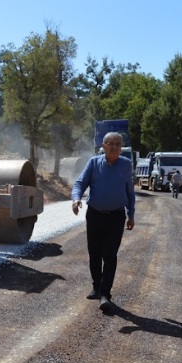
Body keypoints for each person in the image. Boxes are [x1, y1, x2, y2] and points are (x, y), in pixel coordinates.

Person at [71, 132, 135, 312]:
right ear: (103, 145)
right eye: (110, 143)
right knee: (94, 254)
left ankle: (105, 294)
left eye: (117, 144)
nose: (114, 147)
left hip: (116, 217)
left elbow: (130, 192)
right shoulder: (93, 163)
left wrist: (131, 215)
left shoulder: (126, 165)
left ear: (121, 147)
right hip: (95, 215)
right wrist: (76, 199)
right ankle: (96, 286)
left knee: (110, 255)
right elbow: (80, 183)